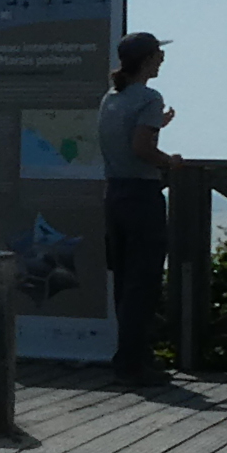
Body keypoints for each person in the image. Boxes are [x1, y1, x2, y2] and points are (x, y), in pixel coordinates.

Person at [94, 31, 176, 382]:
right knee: (144, 280)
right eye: (158, 53)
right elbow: (141, 148)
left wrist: (159, 126)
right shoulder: (149, 97)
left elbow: (123, 139)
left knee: (125, 278)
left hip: (114, 194)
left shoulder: (111, 97)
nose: (162, 58)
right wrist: (169, 161)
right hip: (142, 195)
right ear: (145, 59)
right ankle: (133, 363)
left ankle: (132, 357)